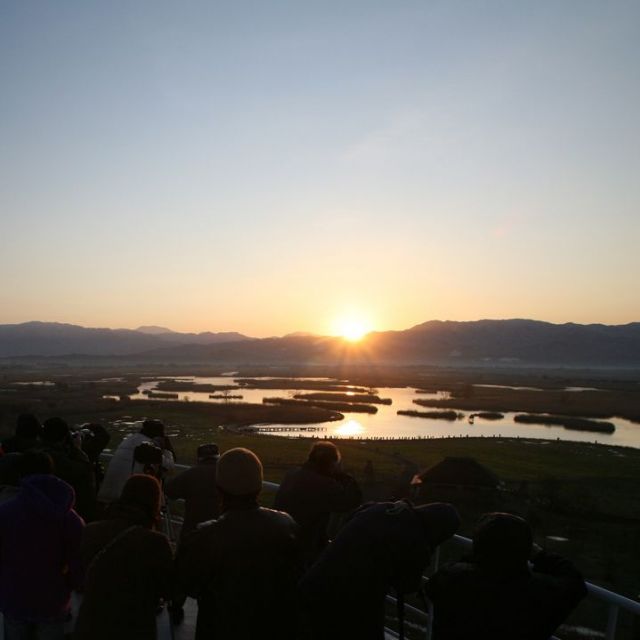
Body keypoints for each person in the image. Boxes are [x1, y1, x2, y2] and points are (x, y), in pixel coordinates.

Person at [177, 447, 302, 640]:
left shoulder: (205, 536)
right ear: (259, 487)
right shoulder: (287, 524)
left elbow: (185, 585)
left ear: (219, 489)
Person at [299, 500, 460, 640]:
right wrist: (426, 554)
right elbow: (406, 586)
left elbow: (350, 518)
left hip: (315, 583)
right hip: (349, 602)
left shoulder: (383, 508)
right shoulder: (416, 541)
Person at [424, 512, 588, 640]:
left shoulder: (450, 577)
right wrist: (540, 556)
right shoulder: (539, 593)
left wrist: (479, 553)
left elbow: (432, 588)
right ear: (525, 551)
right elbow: (574, 582)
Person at [74, 474, 173, 640]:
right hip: (134, 627)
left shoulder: (90, 531)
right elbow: (169, 590)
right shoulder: (155, 542)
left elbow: (78, 574)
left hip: (91, 624)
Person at [0, 452, 84, 640]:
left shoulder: (5, 513)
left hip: (14, 597)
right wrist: (73, 584)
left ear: (20, 476)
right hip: (53, 600)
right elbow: (77, 562)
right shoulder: (70, 518)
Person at [274, 441, 362, 561]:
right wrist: (345, 477)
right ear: (331, 464)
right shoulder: (326, 485)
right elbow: (351, 502)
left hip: (281, 540)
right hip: (305, 548)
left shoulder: (291, 474)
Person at [98, 419, 174, 504]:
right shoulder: (148, 446)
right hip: (127, 497)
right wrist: (168, 449)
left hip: (108, 492)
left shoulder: (128, 439)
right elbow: (169, 466)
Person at [41, 417, 96, 522]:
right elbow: (86, 472)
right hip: (64, 517)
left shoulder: (35, 453)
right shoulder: (59, 460)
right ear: (64, 437)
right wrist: (78, 449)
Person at [165, 442, 220, 544]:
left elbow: (169, 491)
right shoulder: (227, 474)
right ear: (218, 457)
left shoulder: (189, 474)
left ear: (198, 458)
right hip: (221, 531)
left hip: (193, 531)